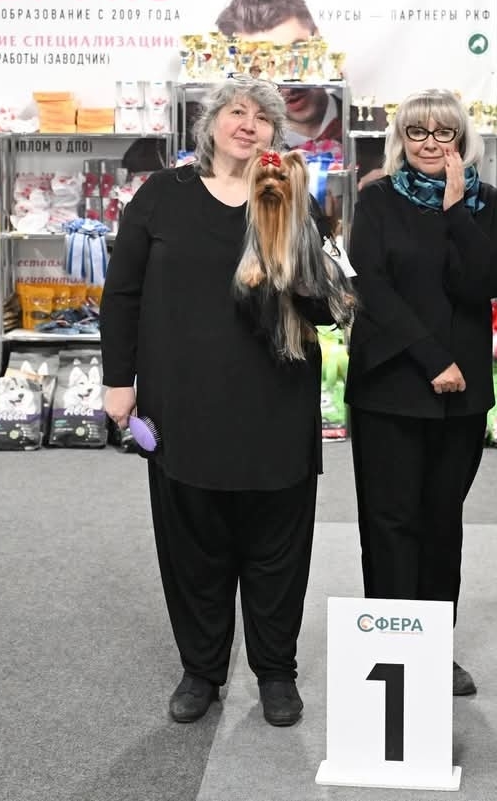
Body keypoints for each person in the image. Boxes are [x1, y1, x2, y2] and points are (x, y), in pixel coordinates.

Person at [100, 78, 334, 728]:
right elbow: (122, 293)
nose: (248, 124)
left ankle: (276, 672)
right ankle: (201, 669)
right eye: (236, 111)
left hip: (276, 404)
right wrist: (118, 380)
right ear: (210, 125)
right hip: (183, 404)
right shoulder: (162, 195)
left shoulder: (294, 197)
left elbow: (331, 306)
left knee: (277, 549)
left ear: (276, 135)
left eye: (263, 117)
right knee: (192, 546)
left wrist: (296, 259)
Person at [345, 88, 497, 697]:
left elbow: (488, 281)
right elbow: (371, 287)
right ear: (401, 139)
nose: (429, 143)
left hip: (459, 396)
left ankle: (435, 650)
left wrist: (454, 212)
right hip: (390, 385)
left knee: (442, 522)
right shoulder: (377, 198)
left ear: (461, 140)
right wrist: (432, 357)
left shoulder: (485, 203)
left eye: (443, 132)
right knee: (389, 521)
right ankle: (393, 648)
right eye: (416, 131)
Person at [215, 0, 341, 158]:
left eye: (296, 51)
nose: (288, 80)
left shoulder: (375, 132)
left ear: (317, 39)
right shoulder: (227, 148)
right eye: (264, 63)